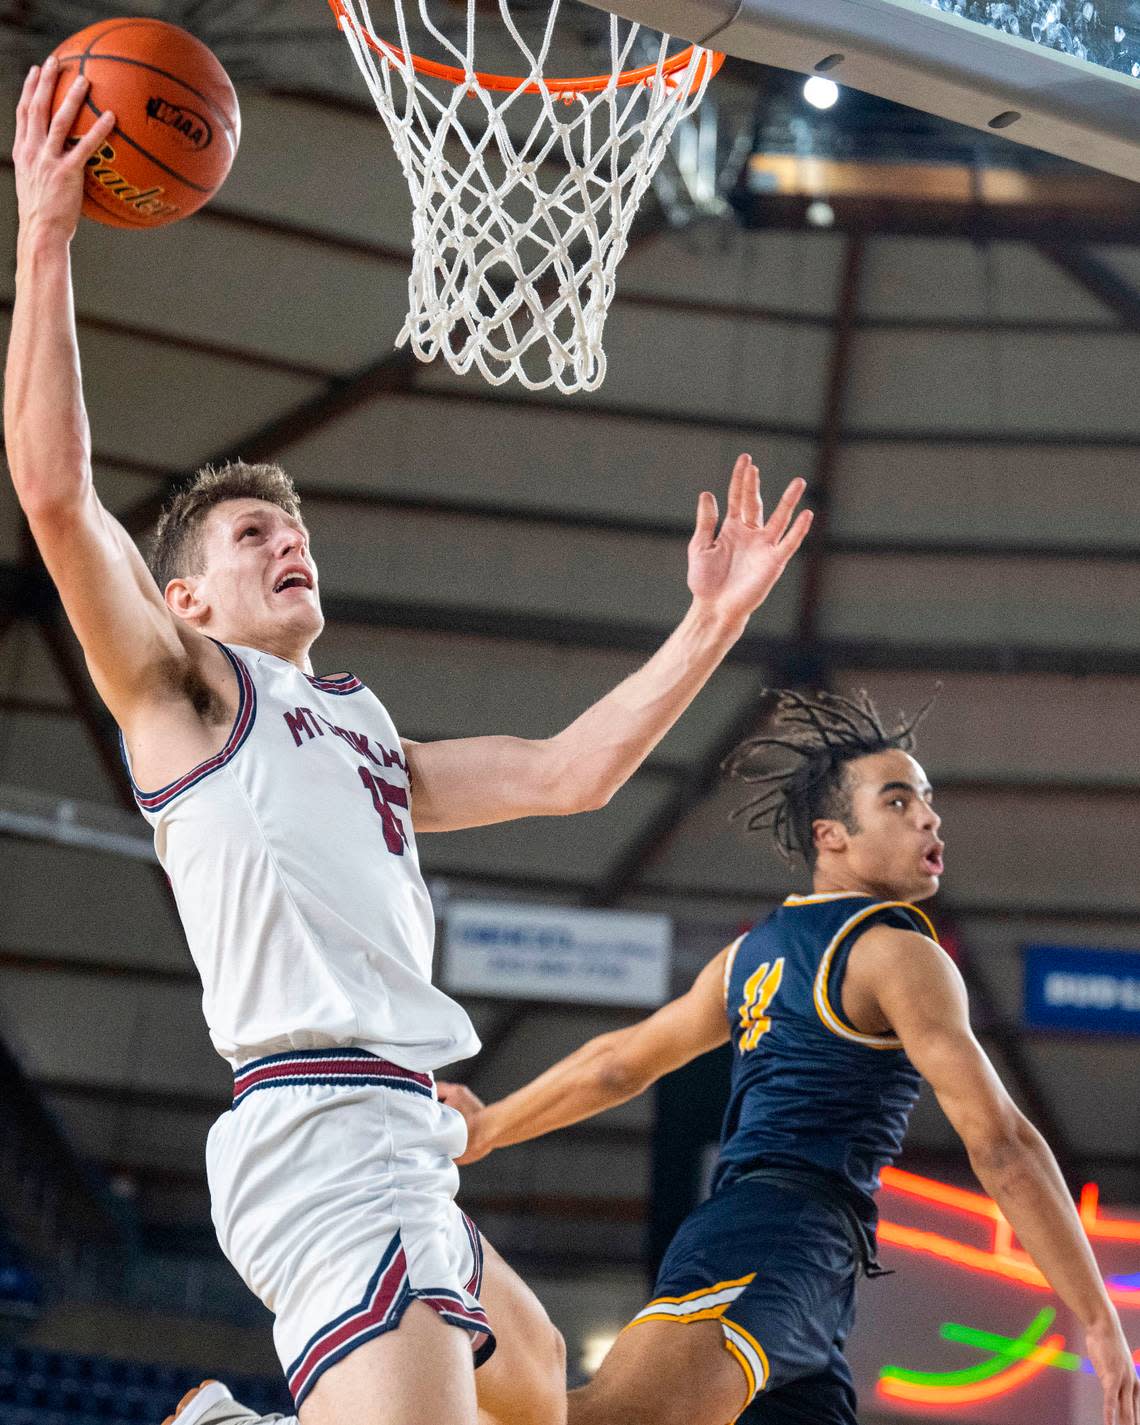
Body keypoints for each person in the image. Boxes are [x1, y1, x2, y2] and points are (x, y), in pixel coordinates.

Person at [6, 58, 812, 1425]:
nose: (289, 541)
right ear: (184, 599)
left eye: (297, 528)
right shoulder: (184, 696)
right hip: (322, 1129)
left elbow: (572, 774)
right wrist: (46, 227)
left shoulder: (365, 733)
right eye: (252, 534)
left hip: (403, 1133)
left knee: (543, 1379)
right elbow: (51, 489)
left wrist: (710, 625)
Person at [438, 688, 1140, 1425]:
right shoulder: (899, 952)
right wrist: (1096, 1315)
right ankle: (428, 1342)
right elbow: (1002, 1143)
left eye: (928, 799)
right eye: (898, 801)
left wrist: (489, 1128)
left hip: (804, 1263)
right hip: (778, 1231)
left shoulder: (749, 955)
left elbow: (621, 1063)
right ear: (830, 834)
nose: (929, 816)